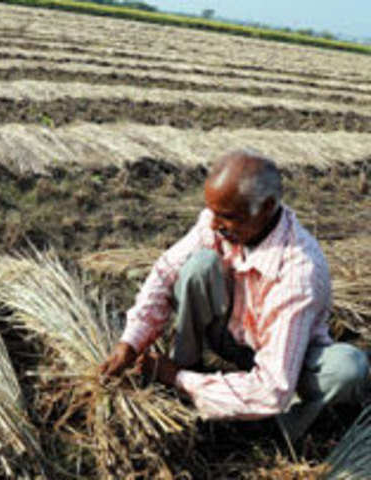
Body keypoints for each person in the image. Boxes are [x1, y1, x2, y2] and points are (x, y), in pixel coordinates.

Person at [100, 150, 369, 444]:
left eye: (227, 216)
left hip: (288, 355)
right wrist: (130, 342)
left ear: (266, 208)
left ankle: (275, 431)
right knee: (197, 268)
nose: (214, 224)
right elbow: (165, 272)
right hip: (230, 333)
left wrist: (177, 378)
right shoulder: (220, 221)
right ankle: (189, 368)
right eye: (211, 211)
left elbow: (273, 390)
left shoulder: (299, 272)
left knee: (347, 369)